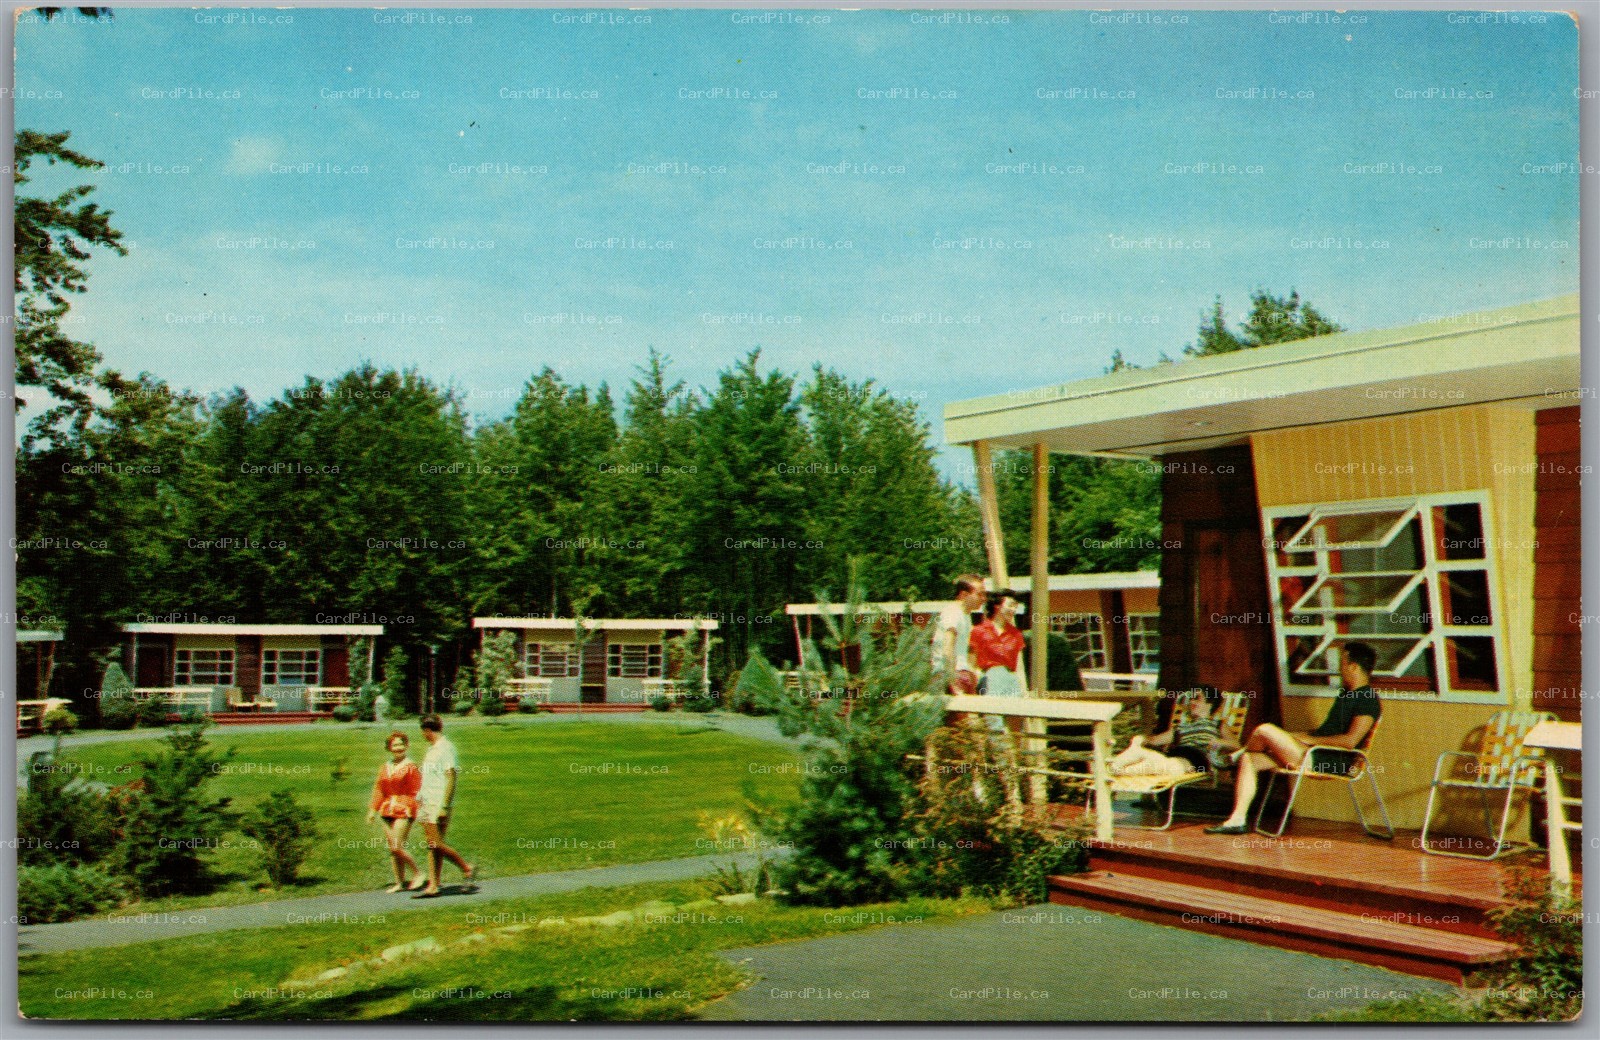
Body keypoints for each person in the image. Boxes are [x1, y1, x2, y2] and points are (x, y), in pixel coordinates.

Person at [1205, 642, 1382, 835]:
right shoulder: (1347, 695)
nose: (1339, 669)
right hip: (1312, 752)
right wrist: (1296, 737)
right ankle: (1237, 820)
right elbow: (1324, 732)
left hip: (1329, 761)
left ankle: (1234, 756)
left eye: (1342, 663)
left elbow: (1350, 741)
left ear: (1353, 666)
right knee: (1250, 759)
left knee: (1264, 729)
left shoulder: (1367, 699)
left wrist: (1308, 740)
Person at [414, 713, 475, 896]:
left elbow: (451, 778)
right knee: (432, 845)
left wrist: (445, 806)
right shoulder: (432, 749)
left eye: (423, 732)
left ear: (427, 730)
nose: (423, 735)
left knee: (435, 842)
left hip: (438, 803)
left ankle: (466, 868)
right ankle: (433, 885)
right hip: (427, 801)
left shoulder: (446, 748)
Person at [1111, 686, 1231, 777]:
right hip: (1173, 758)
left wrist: (1220, 742)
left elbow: (1237, 745)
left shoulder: (1218, 724)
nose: (1192, 702)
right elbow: (1154, 741)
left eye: (1197, 698)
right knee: (1139, 751)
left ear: (1210, 704)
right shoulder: (1181, 727)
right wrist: (1140, 739)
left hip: (1196, 762)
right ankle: (1113, 768)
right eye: (1191, 699)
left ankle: (1114, 771)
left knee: (1159, 765)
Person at [365, 730, 426, 892]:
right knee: (393, 848)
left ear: (406, 746)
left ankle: (418, 873)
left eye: (401, 744)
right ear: (389, 748)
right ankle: (399, 883)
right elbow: (379, 789)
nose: (398, 748)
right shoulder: (385, 767)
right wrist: (372, 810)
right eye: (394, 745)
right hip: (386, 810)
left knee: (397, 846)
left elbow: (417, 791)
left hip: (404, 809)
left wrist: (417, 809)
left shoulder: (411, 766)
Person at [931, 574, 986, 695]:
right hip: (949, 675)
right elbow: (947, 648)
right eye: (980, 594)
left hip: (961, 673)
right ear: (964, 595)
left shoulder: (965, 615)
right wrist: (952, 682)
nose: (984, 599)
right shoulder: (953, 613)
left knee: (971, 713)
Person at [969, 592, 1026, 699]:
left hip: (1010, 678)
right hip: (989, 677)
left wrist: (1024, 692)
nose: (1013, 610)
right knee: (993, 713)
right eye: (1010, 605)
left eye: (1015, 607)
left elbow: (1020, 668)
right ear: (997, 606)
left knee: (1015, 712)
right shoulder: (978, 631)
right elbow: (971, 664)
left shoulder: (1016, 634)